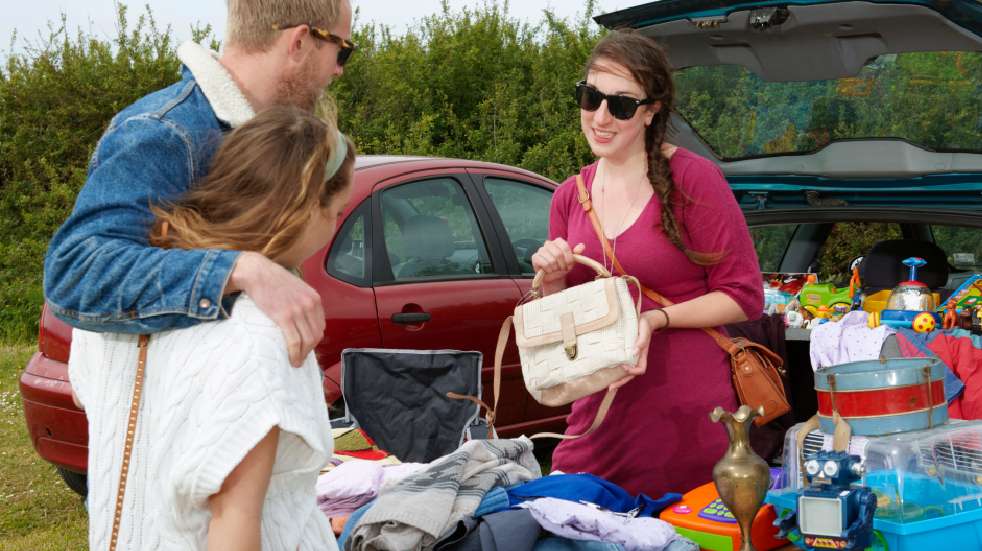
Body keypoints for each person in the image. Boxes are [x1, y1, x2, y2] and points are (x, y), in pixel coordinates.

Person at [70, 106, 356, 550]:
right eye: (336, 211)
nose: (333, 226)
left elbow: (94, 401)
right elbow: (234, 520)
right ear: (301, 210)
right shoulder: (263, 332)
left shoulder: (109, 313)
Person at [44, 0, 354, 367]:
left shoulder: (251, 134)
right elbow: (75, 272)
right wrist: (239, 269)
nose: (338, 71)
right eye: (342, 51)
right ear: (300, 41)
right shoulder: (166, 131)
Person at [531, 30, 764, 497]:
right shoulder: (567, 197)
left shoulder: (694, 180)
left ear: (651, 110)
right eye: (590, 97)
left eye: (620, 105)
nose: (600, 117)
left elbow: (744, 296)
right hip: (596, 419)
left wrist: (656, 319)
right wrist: (551, 283)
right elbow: (566, 324)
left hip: (683, 422)